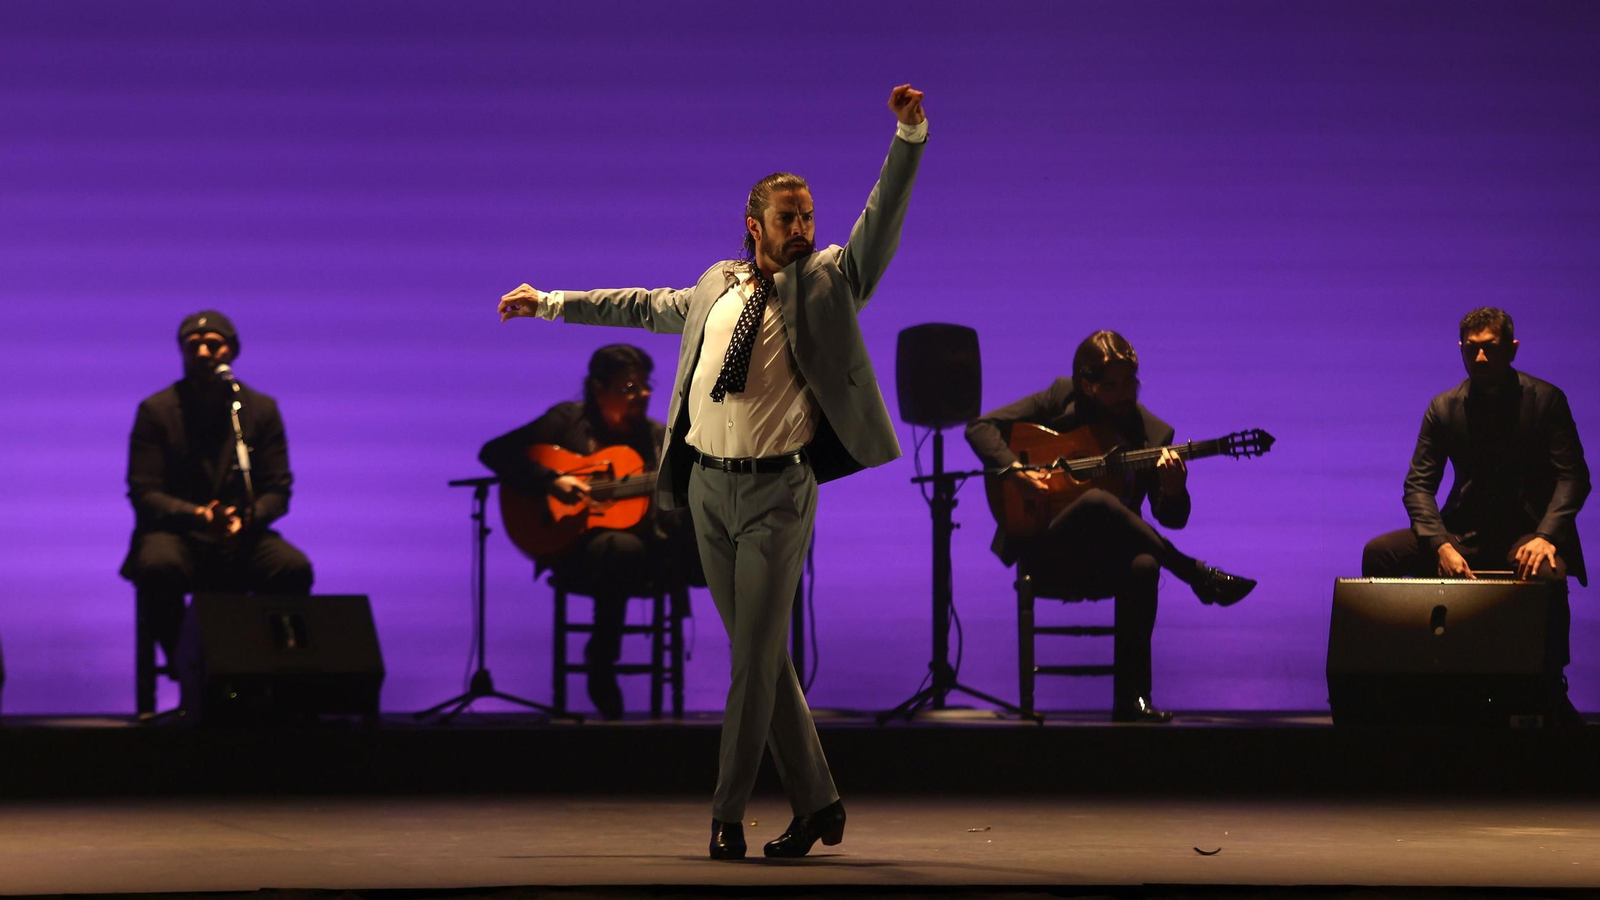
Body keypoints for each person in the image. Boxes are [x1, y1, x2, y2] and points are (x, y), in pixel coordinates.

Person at [497, 84, 928, 859]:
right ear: (754, 226)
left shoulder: (828, 281)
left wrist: (908, 138)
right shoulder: (715, 284)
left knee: (750, 665)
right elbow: (640, 306)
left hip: (777, 494)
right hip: (705, 491)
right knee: (762, 661)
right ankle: (821, 803)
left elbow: (880, 225)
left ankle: (726, 815)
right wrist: (552, 302)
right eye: (788, 219)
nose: (803, 230)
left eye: (808, 217)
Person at [965, 330, 1258, 724]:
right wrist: (1016, 472)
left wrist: (1174, 490)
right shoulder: (1061, 396)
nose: (1124, 394)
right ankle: (1195, 574)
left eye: (1129, 383)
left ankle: (1133, 700)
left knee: (1145, 565)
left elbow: (1171, 518)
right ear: (1087, 385)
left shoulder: (1153, 435)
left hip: (1107, 561)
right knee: (1096, 501)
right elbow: (980, 427)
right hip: (1049, 550)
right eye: (1112, 386)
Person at [1362, 307, 1588, 722]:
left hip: (1527, 532)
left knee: (1546, 571)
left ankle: (1549, 689)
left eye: (1490, 348)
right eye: (1472, 349)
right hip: (1463, 533)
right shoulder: (1444, 406)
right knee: (1380, 554)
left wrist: (1546, 536)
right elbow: (1418, 485)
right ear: (1461, 350)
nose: (1480, 358)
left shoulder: (1546, 400)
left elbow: (1573, 478)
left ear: (1512, 349)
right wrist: (1440, 543)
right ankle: (1390, 689)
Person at [478, 344, 699, 720]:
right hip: (573, 549)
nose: (642, 395)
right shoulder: (567, 421)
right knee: (621, 549)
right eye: (629, 387)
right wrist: (551, 480)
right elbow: (495, 452)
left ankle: (751, 664)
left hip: (648, 549)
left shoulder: (655, 437)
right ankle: (601, 662)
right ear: (598, 389)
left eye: (645, 385)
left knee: (686, 535)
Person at [121, 311, 314, 665]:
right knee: (158, 565)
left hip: (242, 532)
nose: (203, 353)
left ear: (232, 351)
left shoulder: (260, 409)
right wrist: (199, 515)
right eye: (192, 346)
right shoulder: (156, 410)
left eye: (213, 344)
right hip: (178, 534)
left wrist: (246, 518)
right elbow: (143, 492)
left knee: (292, 567)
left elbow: (278, 489)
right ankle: (191, 666)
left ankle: (268, 669)